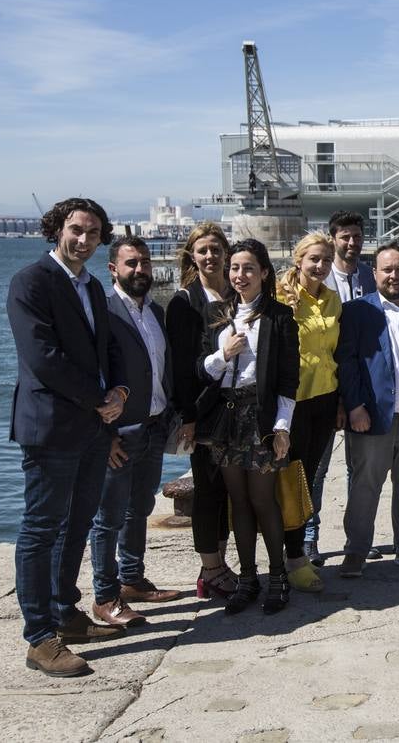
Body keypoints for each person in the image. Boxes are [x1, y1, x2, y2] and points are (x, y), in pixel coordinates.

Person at [9, 198, 129, 677]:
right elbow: (42, 357)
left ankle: (65, 614)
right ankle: (40, 638)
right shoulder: (31, 282)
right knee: (41, 530)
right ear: (57, 228)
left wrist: (118, 390)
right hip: (52, 428)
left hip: (92, 429)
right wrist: (99, 398)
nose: (84, 240)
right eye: (77, 229)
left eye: (94, 233)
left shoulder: (93, 286)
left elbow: (109, 347)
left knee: (76, 524)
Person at [198, 239, 298, 615]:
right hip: (226, 416)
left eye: (249, 269)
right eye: (235, 268)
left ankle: (277, 576)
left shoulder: (280, 316)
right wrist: (224, 355)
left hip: (262, 417)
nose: (240, 276)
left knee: (262, 499)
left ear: (264, 273)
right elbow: (202, 371)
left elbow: (290, 379)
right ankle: (247, 578)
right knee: (236, 500)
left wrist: (282, 427)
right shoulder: (216, 313)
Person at [89, 237, 179, 630]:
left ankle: (132, 579)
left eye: (144, 262)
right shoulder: (103, 313)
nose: (140, 270)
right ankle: (105, 596)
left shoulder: (155, 312)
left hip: (154, 424)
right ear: (113, 269)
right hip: (119, 433)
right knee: (107, 517)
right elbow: (94, 376)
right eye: (131, 264)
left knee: (140, 507)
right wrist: (102, 435)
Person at [335, 244, 399, 578]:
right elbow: (347, 363)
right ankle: (356, 551)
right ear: (374, 273)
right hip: (373, 416)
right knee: (365, 485)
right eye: (386, 270)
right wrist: (355, 406)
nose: (394, 276)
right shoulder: (357, 311)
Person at [166, 222, 237, 598]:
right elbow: (180, 366)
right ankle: (210, 570)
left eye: (216, 249)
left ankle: (220, 565)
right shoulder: (184, 301)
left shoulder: (237, 293)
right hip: (205, 411)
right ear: (192, 256)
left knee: (229, 490)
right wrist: (188, 418)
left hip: (238, 408)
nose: (210, 256)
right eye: (203, 250)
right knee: (208, 490)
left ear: (226, 252)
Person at [276, 232, 342, 592]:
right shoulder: (281, 299)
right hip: (292, 404)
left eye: (326, 261)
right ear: (298, 259)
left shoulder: (333, 301)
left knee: (308, 480)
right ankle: (289, 558)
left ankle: (296, 553)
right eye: (314, 259)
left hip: (325, 400)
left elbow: (335, 353)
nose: (320, 266)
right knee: (288, 481)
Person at [310, 211, 377, 564]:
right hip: (322, 387)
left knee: (360, 468)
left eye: (356, 236)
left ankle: (358, 537)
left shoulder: (371, 276)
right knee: (317, 470)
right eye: (345, 237)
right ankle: (310, 539)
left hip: (361, 386)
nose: (352, 243)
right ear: (333, 238)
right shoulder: (320, 279)